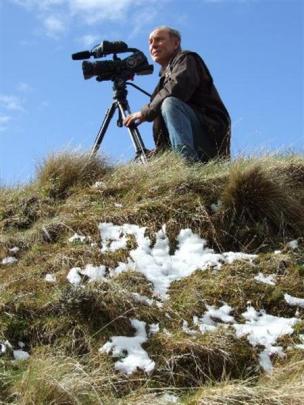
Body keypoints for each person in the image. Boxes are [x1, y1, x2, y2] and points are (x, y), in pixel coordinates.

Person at [123, 26, 231, 162]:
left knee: (170, 102)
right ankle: (175, 160)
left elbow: (177, 87)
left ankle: (186, 165)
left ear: (175, 43)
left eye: (159, 40)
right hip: (194, 138)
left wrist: (145, 112)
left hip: (211, 136)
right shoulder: (162, 82)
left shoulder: (187, 59)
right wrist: (160, 152)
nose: (153, 45)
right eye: (150, 42)